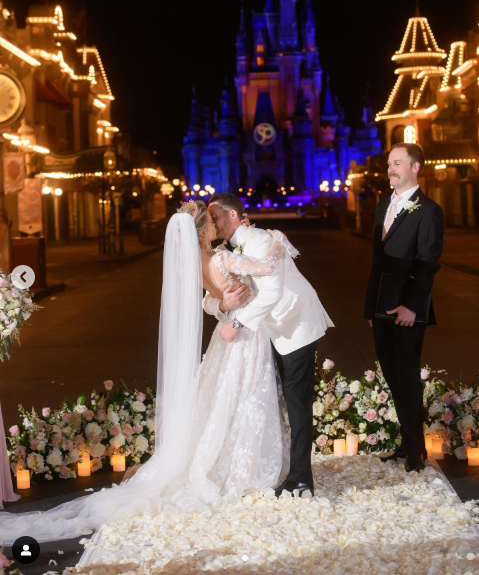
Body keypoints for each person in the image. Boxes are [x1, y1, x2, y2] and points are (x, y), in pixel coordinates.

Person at [0, 200, 294, 547]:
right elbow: (267, 266)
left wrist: (222, 303)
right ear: (202, 230)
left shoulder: (197, 262)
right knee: (240, 398)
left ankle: (222, 459)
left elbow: (209, 299)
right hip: (243, 335)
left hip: (227, 333)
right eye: (212, 221)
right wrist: (276, 239)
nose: (217, 224)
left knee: (223, 400)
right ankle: (236, 466)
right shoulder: (219, 258)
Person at [205, 193, 334, 497]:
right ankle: (282, 467)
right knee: (277, 398)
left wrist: (236, 324)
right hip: (269, 331)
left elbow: (272, 292)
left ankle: (302, 478)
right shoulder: (225, 250)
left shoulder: (262, 241)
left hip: (295, 324)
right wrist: (223, 305)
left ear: (234, 215)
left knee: (297, 400)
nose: (213, 222)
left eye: (217, 216)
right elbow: (214, 295)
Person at [364, 143, 444, 473]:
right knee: (393, 376)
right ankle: (406, 441)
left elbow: (428, 263)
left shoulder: (428, 210)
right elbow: (377, 262)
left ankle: (416, 451)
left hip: (408, 309)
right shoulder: (383, 206)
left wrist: (412, 306)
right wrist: (371, 308)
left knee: (408, 377)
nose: (390, 168)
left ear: (415, 168)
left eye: (397, 163)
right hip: (381, 305)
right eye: (389, 164)